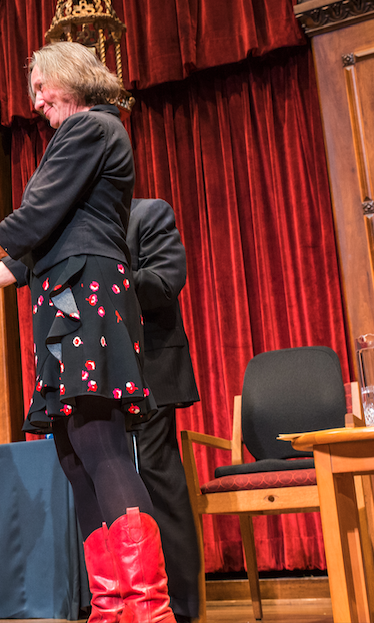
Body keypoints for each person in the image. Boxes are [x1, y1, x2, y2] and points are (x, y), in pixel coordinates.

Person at [0, 41, 177, 623]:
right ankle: (111, 605)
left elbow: (29, 220)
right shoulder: (80, 138)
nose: (36, 101)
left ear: (72, 76)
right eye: (34, 90)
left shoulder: (91, 127)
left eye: (42, 86)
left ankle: (147, 610)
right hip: (63, 298)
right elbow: (28, 253)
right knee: (72, 451)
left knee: (102, 443)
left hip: (87, 293)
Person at [127, 198, 201, 623]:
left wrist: (109, 275)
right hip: (96, 373)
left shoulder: (148, 213)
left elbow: (165, 281)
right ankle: (130, 601)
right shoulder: (74, 221)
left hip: (150, 370)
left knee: (158, 482)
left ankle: (183, 609)